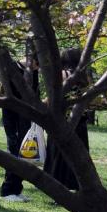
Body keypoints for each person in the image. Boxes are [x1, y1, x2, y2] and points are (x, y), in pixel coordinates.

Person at [44, 48, 91, 191]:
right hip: (80, 120)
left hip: (62, 120)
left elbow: (54, 98)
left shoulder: (63, 75)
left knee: (59, 153)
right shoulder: (84, 77)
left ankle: (57, 184)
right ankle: (77, 183)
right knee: (78, 153)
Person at [0, 55, 39, 202]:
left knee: (25, 153)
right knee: (15, 151)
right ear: (33, 60)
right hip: (13, 117)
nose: (38, 69)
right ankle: (7, 190)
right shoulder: (13, 69)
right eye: (37, 65)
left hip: (26, 117)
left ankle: (16, 189)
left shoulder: (32, 71)